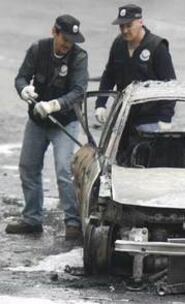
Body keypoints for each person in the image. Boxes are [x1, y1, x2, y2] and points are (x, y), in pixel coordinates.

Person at [5, 15, 88, 240]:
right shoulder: (38, 49)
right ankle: (32, 219)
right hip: (37, 121)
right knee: (28, 167)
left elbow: (79, 91)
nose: (67, 45)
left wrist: (54, 105)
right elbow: (21, 77)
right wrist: (24, 91)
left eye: (71, 41)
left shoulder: (79, 57)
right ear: (55, 32)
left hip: (65, 123)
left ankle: (73, 222)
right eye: (64, 40)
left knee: (63, 170)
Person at [95, 4, 176, 132]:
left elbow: (170, 84)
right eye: (122, 26)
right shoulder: (118, 44)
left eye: (129, 25)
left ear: (140, 22)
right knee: (115, 152)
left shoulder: (157, 47)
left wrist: (166, 117)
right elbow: (109, 75)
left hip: (150, 119)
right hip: (122, 115)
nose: (125, 30)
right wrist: (100, 104)